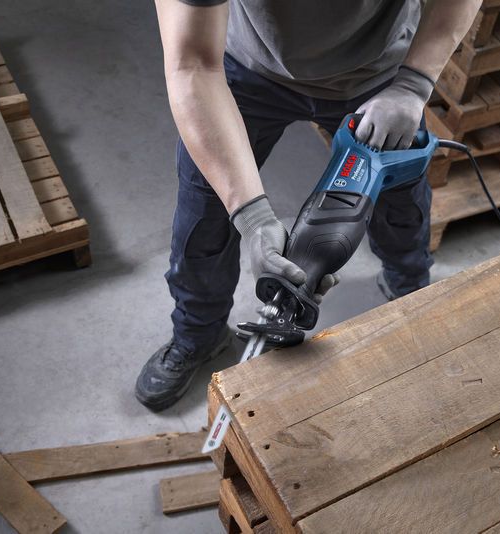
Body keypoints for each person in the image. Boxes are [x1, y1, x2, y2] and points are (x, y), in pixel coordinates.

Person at [136, 0, 481, 410]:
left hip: (378, 74)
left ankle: (408, 289)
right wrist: (253, 216)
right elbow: (192, 63)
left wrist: (414, 84)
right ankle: (199, 333)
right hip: (245, 69)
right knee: (204, 215)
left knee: (399, 203)